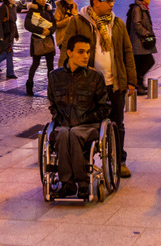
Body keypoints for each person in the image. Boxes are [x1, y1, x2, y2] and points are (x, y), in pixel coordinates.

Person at [60, 0, 137, 178]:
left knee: (118, 124)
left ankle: (120, 160)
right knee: (87, 126)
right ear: (95, 3)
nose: (112, 4)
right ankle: (84, 162)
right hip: (87, 86)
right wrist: (67, 76)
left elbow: (127, 52)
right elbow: (65, 51)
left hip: (114, 83)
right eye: (108, 1)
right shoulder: (78, 22)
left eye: (112, 1)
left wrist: (132, 81)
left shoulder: (117, 24)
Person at [47, 35, 110, 198]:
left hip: (88, 125)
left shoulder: (95, 77)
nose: (86, 56)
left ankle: (82, 183)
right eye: (81, 52)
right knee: (62, 135)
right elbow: (52, 104)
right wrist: (60, 118)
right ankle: (67, 184)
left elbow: (105, 107)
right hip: (64, 125)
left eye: (88, 52)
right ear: (69, 53)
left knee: (74, 134)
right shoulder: (55, 77)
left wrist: (83, 119)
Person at [24, 0, 57, 96]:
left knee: (50, 66)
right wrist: (41, 30)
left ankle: (51, 89)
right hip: (37, 40)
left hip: (48, 39)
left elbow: (54, 23)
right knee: (35, 63)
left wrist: (50, 30)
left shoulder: (48, 9)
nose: (43, 0)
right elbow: (27, 25)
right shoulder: (32, 10)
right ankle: (29, 84)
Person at [127, 0, 157, 95]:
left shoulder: (143, 8)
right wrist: (147, 34)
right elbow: (137, 24)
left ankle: (139, 83)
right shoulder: (138, 8)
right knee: (148, 61)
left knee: (141, 63)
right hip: (139, 41)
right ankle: (138, 83)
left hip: (141, 40)